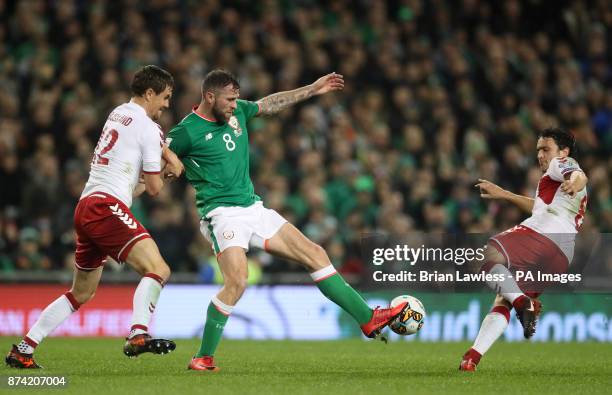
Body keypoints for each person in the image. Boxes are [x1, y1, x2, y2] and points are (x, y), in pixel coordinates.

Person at [167, 69, 409, 372]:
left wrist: (312, 88)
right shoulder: (186, 132)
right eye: (229, 100)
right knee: (237, 282)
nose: (234, 105)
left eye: (236, 100)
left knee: (316, 254)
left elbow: (270, 104)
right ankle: (203, 357)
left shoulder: (237, 112)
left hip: (253, 208)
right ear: (209, 96)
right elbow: (157, 160)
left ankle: (367, 318)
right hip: (222, 214)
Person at [5, 65, 185, 369]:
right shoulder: (148, 127)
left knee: (82, 292)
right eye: (165, 97)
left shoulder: (117, 113)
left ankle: (23, 349)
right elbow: (153, 188)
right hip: (106, 207)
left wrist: (165, 157)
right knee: (158, 269)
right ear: (150, 93)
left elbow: (134, 188)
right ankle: (138, 333)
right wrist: (170, 171)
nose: (167, 105)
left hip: (88, 205)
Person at [460, 127, 588, 371]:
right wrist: (505, 194)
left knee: (488, 255)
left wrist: (574, 181)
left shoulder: (561, 163)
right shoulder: (553, 182)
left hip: (545, 233)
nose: (540, 154)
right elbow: (539, 207)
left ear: (563, 150)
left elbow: (580, 175)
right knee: (504, 295)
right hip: (561, 254)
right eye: (538, 149)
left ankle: (524, 304)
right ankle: (471, 358)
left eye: (545, 149)